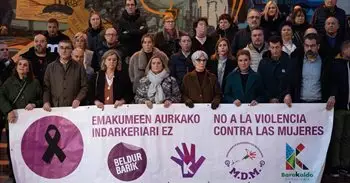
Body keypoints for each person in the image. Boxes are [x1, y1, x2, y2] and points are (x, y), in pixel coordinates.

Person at [0, 58, 42, 183]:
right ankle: (14, 175)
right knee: (12, 149)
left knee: (31, 149)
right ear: (16, 67)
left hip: (30, 125)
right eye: (20, 64)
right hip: (13, 123)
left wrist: (34, 104)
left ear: (29, 68)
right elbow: (0, 96)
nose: (22, 66)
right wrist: (8, 110)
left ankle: (31, 175)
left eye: (25, 65)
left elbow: (41, 99)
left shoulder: (35, 83)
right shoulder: (9, 82)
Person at [43, 40, 88, 111]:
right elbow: (46, 88)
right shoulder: (50, 67)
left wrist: (78, 99)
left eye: (67, 48)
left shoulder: (79, 67)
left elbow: (84, 87)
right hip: (55, 107)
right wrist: (46, 102)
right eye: (61, 48)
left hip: (74, 108)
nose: (64, 51)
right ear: (58, 50)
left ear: (71, 50)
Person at [327, 40, 350, 177]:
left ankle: (345, 165)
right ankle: (335, 165)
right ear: (344, 50)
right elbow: (333, 84)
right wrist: (333, 96)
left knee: (347, 137)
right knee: (337, 137)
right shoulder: (336, 65)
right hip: (340, 107)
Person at [289, 33, 332, 103]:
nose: (309, 48)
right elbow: (289, 81)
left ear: (318, 46)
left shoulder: (325, 62)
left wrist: (332, 96)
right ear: (303, 46)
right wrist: (287, 94)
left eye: (312, 46)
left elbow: (332, 81)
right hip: (300, 103)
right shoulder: (296, 62)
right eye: (307, 46)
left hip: (320, 103)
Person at [258, 36, 292, 105]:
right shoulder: (263, 63)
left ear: (281, 46)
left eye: (277, 47)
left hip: (284, 102)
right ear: (269, 48)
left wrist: (284, 95)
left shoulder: (288, 62)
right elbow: (260, 83)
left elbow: (290, 82)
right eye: (272, 47)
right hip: (267, 102)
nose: (275, 50)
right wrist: (269, 98)